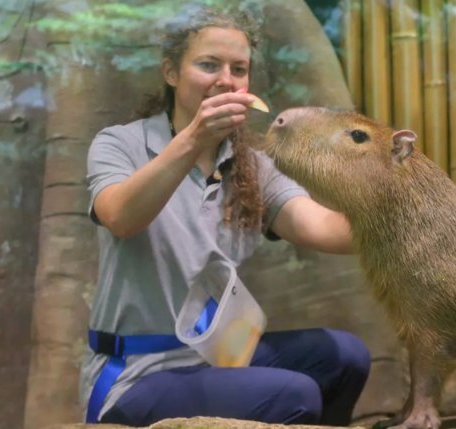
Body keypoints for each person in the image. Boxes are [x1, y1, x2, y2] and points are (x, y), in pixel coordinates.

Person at [80, 5, 370, 427]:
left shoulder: (252, 166)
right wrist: (194, 138)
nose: (226, 81)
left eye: (239, 69)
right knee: (296, 395)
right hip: (138, 371)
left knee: (346, 358)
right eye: (208, 65)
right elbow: (121, 216)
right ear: (171, 72)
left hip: (218, 357)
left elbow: (321, 226)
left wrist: (405, 218)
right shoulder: (119, 144)